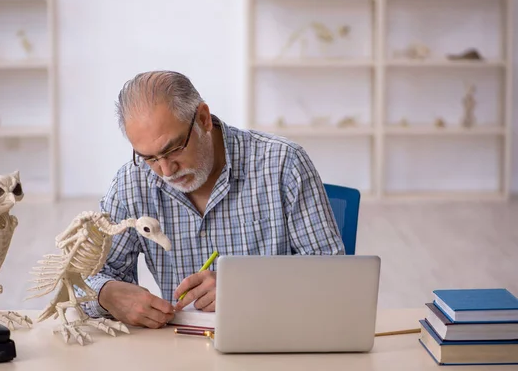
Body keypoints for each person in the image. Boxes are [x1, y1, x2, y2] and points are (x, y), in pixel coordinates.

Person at [80, 70, 344, 329]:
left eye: (173, 149)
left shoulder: (283, 163)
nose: (166, 171)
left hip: (274, 338)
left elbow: (333, 278)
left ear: (204, 119)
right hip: (178, 349)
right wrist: (107, 295)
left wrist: (247, 286)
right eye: (149, 158)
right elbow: (79, 282)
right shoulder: (131, 182)